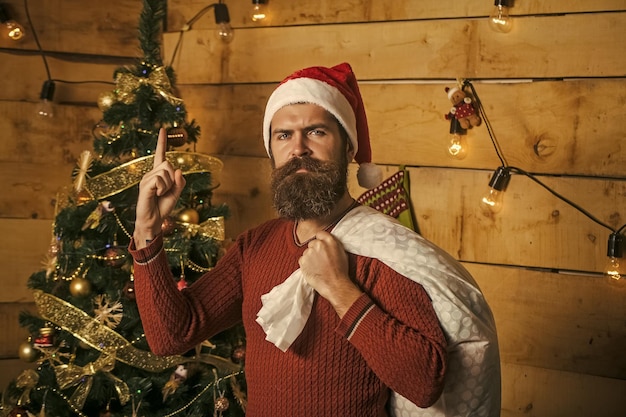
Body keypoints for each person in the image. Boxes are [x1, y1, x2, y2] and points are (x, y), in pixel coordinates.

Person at [130, 63, 500, 417]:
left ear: (349, 148)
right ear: (272, 151)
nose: (299, 148)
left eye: (317, 132)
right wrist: (147, 231)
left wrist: (340, 290)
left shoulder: (383, 252)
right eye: (284, 135)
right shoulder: (254, 247)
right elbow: (172, 336)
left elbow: (424, 383)